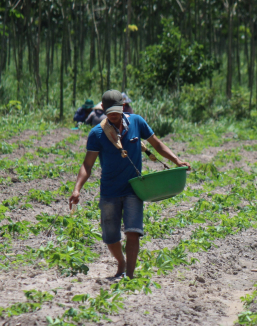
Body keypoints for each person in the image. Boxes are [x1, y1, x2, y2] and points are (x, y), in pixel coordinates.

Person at [69, 90, 191, 279]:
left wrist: (177, 160)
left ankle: (130, 276)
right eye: (109, 112)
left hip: (134, 188)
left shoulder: (136, 122)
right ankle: (121, 263)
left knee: (133, 232)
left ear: (123, 107)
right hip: (109, 190)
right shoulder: (97, 133)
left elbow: (157, 145)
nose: (114, 115)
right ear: (104, 110)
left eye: (117, 111)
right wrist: (77, 189)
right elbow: (87, 164)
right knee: (111, 236)